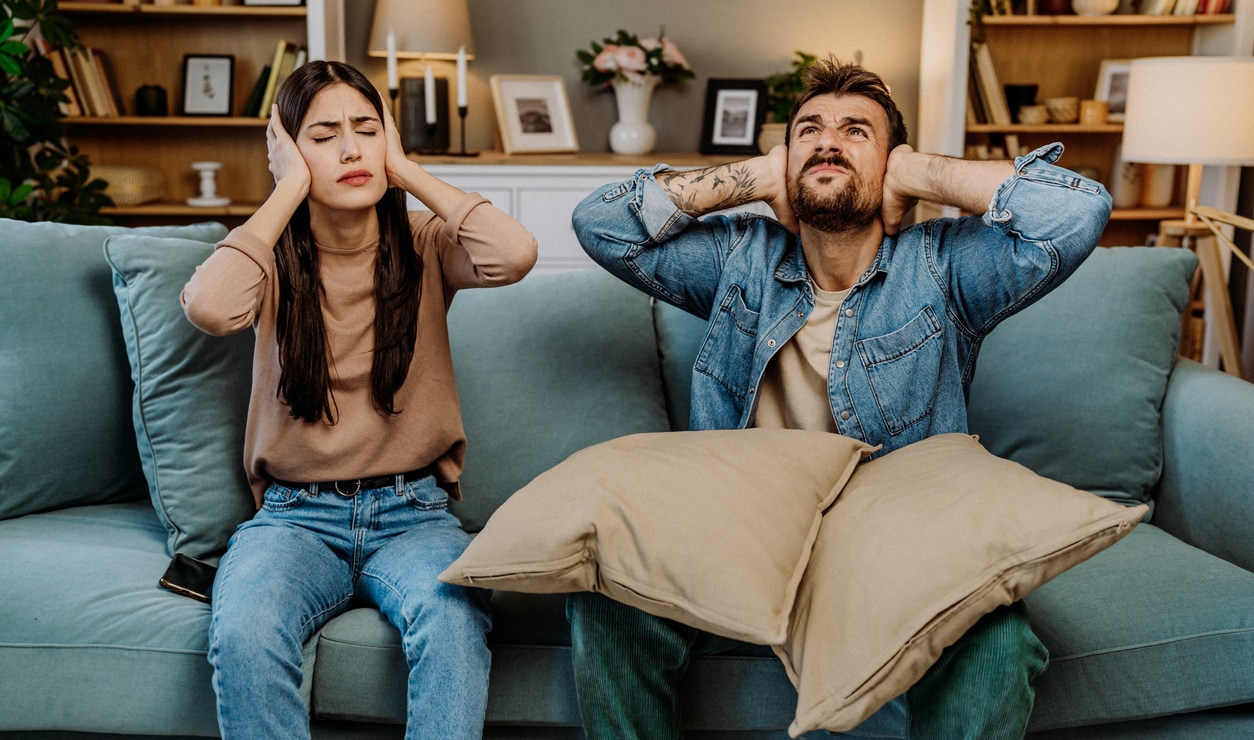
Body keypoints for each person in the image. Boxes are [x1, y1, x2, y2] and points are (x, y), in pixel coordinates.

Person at [569, 58, 1112, 739]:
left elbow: (1078, 211)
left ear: (891, 162)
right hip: (742, 534)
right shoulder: (741, 258)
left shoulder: (943, 268)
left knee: (998, 644)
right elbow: (600, 223)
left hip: (889, 546)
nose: (828, 142)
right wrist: (756, 177)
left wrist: (918, 172)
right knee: (606, 599)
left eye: (857, 131)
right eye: (809, 132)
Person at [182, 60, 538, 740]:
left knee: (453, 620)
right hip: (294, 519)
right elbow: (210, 307)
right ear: (286, 152)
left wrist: (404, 170)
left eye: (366, 130)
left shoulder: (425, 243)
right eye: (323, 136)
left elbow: (514, 253)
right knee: (245, 630)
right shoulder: (269, 257)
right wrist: (289, 188)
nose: (351, 150)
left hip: (413, 515)